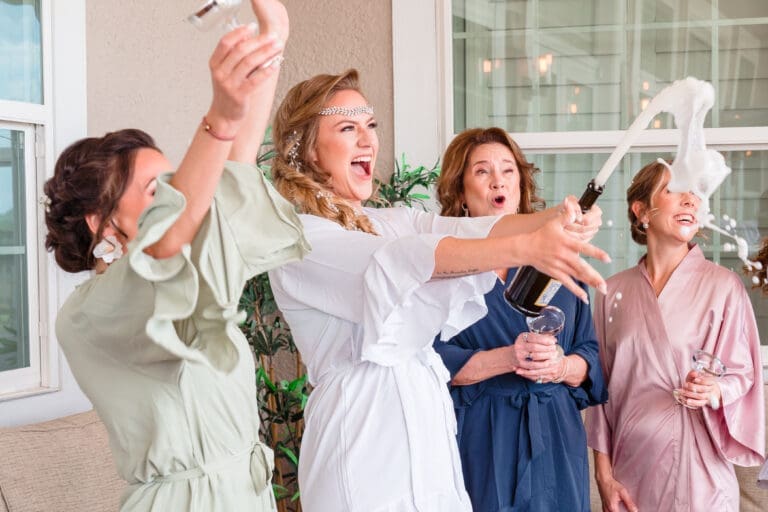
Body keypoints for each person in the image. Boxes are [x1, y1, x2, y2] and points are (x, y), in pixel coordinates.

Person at [266, 69, 610, 512]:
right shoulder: (302, 238)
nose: (367, 140)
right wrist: (528, 245)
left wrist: (560, 220)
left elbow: (467, 228)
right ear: (310, 150)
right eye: (348, 128)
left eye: (370, 126)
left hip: (428, 444)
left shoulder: (389, 220)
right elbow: (399, 262)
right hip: (363, 441)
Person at [44, 2, 309, 510]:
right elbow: (167, 243)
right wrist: (219, 120)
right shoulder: (88, 316)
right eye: (154, 190)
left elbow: (234, 170)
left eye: (174, 183)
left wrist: (274, 35)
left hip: (246, 493)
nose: (176, 196)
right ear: (100, 222)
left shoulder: (190, 271)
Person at [432, 127, 608, 511]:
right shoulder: (442, 266)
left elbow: (590, 357)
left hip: (556, 433)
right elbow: (427, 361)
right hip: (482, 435)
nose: (498, 181)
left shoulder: (560, 261)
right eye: (482, 171)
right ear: (460, 191)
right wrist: (508, 358)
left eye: (508, 170)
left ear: (521, 183)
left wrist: (560, 365)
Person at [586, 160, 765, 512]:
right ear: (642, 211)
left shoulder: (723, 287)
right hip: (631, 472)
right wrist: (604, 478)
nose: (690, 200)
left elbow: (743, 373)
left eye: (695, 193)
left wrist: (715, 389)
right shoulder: (612, 291)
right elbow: (600, 392)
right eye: (674, 190)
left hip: (702, 473)